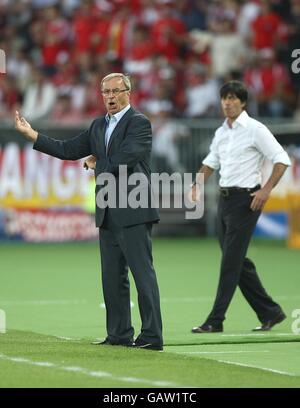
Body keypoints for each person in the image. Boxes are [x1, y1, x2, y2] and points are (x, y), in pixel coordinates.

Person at [14, 72, 163, 351]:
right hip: (107, 211)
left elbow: (127, 158)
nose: (110, 97)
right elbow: (69, 149)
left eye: (116, 91)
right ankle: (119, 335)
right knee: (112, 279)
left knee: (143, 277)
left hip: (133, 210)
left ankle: (152, 337)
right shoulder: (98, 126)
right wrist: (32, 134)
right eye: (105, 92)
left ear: (128, 93)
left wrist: (97, 163)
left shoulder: (139, 123)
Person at [189, 80, 291, 333]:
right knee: (236, 261)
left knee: (230, 263)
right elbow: (210, 162)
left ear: (243, 102)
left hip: (247, 201)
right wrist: (196, 185)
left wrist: (265, 191)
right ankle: (270, 312)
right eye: (225, 98)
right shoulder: (222, 132)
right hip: (224, 201)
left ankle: (215, 320)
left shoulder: (255, 129)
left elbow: (281, 159)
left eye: (233, 98)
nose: (227, 102)